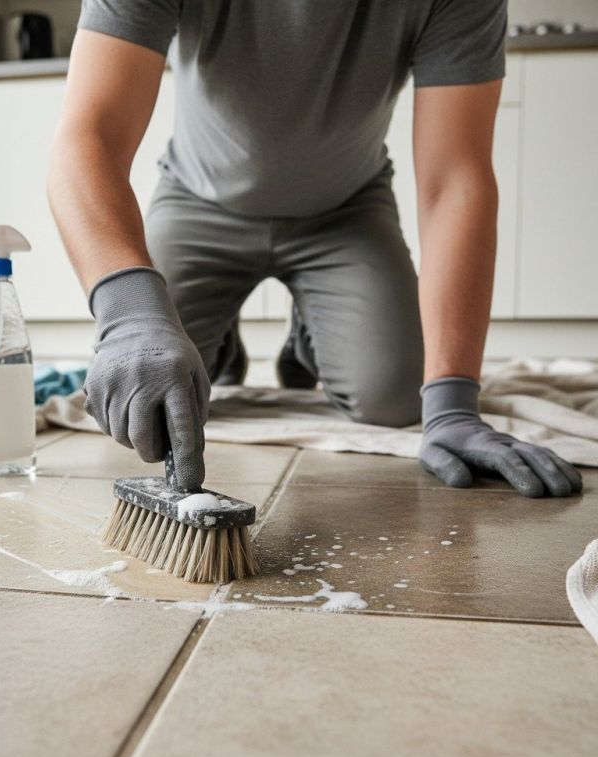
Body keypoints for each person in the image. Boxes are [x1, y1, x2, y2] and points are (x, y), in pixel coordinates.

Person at [47, 0, 582, 498]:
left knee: (394, 400)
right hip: (199, 203)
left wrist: (454, 405)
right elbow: (88, 136)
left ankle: (310, 331)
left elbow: (455, 180)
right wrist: (132, 315)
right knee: (162, 389)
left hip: (346, 213)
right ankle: (221, 341)